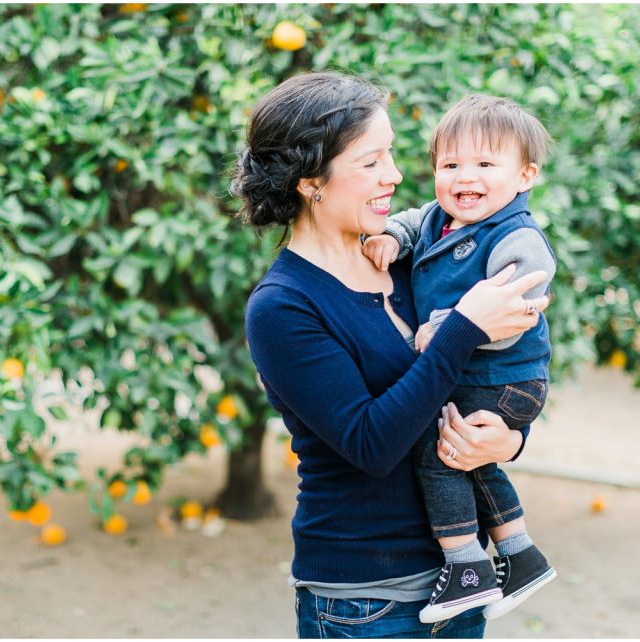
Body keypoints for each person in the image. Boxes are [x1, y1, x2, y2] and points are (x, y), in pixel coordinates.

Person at [231, 70, 549, 639]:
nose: (396, 176)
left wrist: (508, 441)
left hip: (461, 584)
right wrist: (463, 328)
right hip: (366, 601)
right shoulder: (284, 307)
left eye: (394, 156)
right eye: (371, 161)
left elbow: (474, 381)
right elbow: (371, 444)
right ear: (311, 180)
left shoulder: (402, 257)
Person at [361, 94, 558, 623]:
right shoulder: (438, 219)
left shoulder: (516, 236)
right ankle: (520, 556)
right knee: (468, 457)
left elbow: (513, 307)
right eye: (450, 165)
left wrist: (447, 328)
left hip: (507, 377)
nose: (464, 177)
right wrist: (391, 240)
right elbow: (409, 221)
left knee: (438, 452)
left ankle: (466, 566)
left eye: (485, 164)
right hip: (481, 377)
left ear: (525, 176)